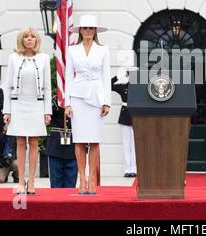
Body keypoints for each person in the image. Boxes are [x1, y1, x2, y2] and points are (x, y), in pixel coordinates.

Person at [2, 27, 52, 195]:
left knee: (34, 142)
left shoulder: (44, 58)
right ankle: (21, 181)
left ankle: (32, 180)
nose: (29, 39)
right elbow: (7, 87)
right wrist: (6, 111)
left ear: (36, 40)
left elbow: (47, 87)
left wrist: (47, 111)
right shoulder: (13, 58)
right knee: (20, 142)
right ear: (21, 40)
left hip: (36, 105)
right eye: (26, 37)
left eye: (32, 36)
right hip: (18, 105)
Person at [65, 15, 111, 195]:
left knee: (94, 140)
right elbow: (68, 77)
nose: (88, 31)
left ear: (95, 31)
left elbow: (106, 76)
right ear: (80, 31)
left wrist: (107, 101)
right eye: (85, 28)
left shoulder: (103, 50)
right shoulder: (72, 50)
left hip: (97, 97)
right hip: (77, 97)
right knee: (80, 139)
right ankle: (81, 179)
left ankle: (92, 179)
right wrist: (67, 103)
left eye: (91, 28)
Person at [46, 96, 77, 188]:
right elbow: (47, 116)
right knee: (56, 186)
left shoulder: (78, 101)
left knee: (71, 185)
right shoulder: (56, 100)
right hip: (56, 147)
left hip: (73, 146)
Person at [111, 67, 137, 178]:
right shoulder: (123, 86)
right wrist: (119, 76)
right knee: (126, 143)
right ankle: (127, 169)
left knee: (135, 144)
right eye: (130, 74)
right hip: (126, 115)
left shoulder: (142, 87)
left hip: (137, 116)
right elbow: (109, 85)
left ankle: (134, 169)